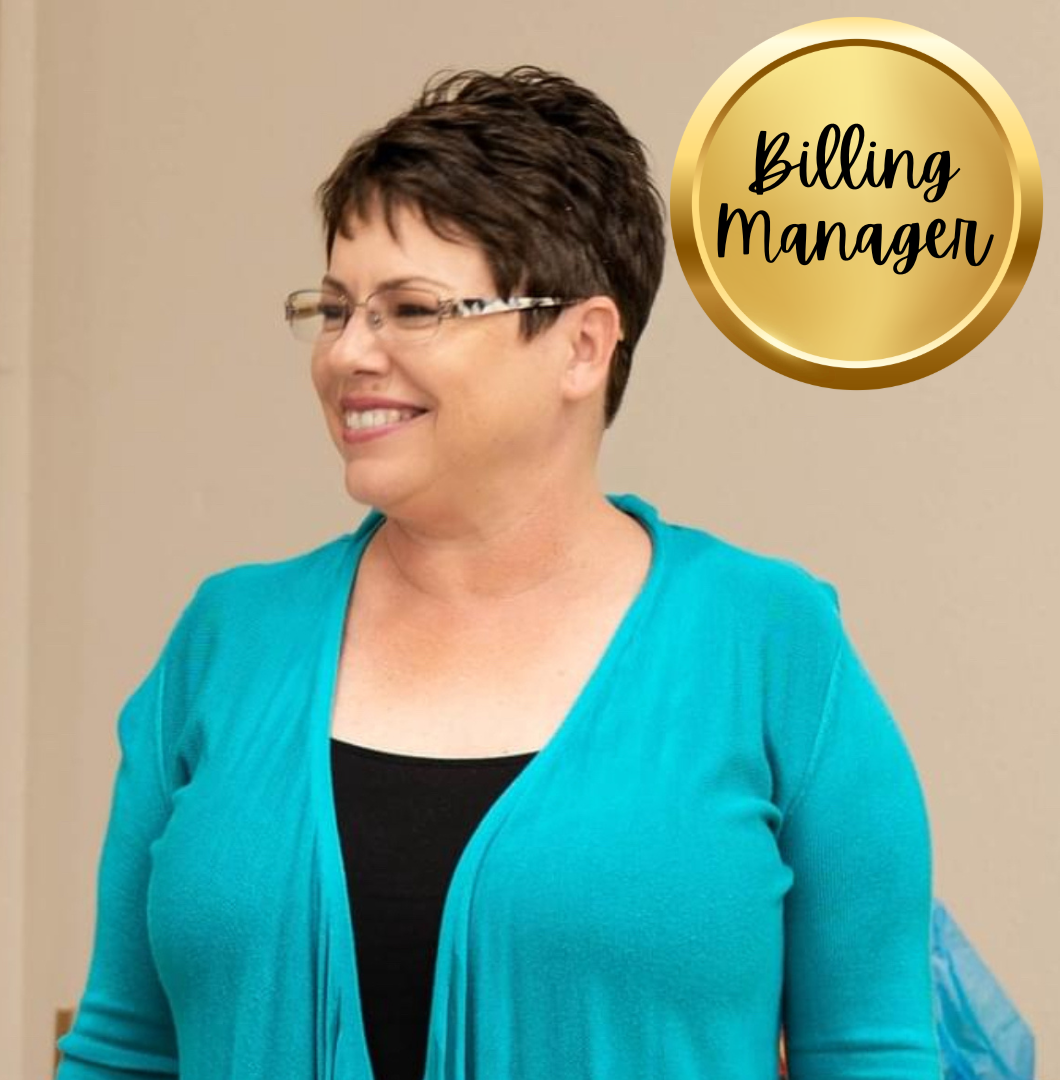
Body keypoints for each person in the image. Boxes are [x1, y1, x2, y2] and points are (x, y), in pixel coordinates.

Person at [56, 65, 942, 1080]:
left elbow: (873, 1055)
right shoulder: (225, 640)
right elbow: (120, 1052)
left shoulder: (771, 644)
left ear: (582, 346)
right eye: (335, 309)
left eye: (411, 309)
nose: (347, 354)